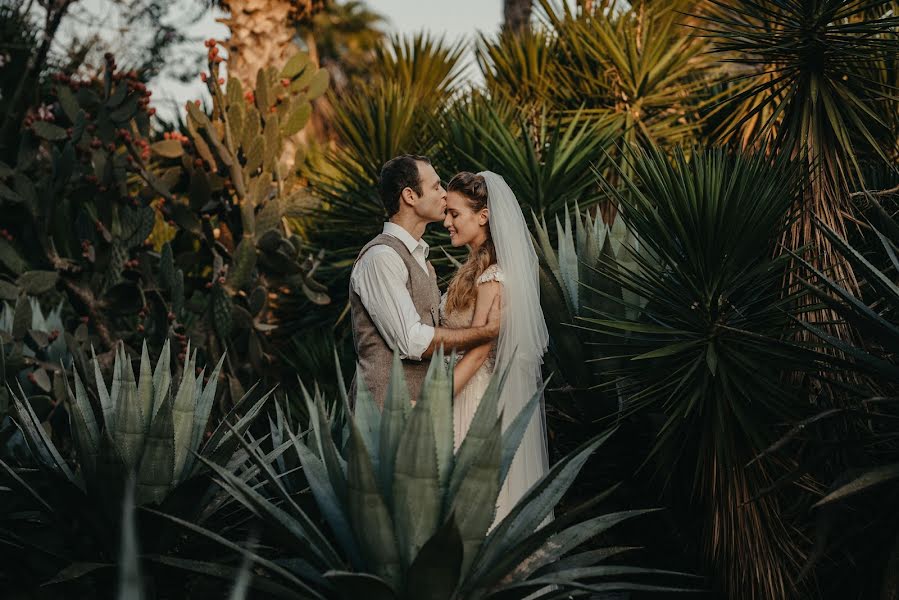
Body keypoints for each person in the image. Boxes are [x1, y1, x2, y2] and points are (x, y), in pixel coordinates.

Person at [440, 170, 550, 524]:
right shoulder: (477, 269)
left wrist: (433, 401)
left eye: (454, 214)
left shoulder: (493, 278)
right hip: (465, 387)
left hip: (470, 395)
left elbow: (478, 351)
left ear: (482, 216)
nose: (446, 222)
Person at [349, 155, 501, 409]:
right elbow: (411, 340)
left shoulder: (421, 260)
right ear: (410, 196)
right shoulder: (381, 257)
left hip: (423, 417)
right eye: (436, 186)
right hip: (384, 414)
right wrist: (483, 333)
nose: (444, 194)